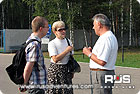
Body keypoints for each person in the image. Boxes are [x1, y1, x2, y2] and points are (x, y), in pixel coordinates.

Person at [83, 13, 118, 94]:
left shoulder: (105, 38)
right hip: (107, 72)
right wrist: (93, 53)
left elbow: (102, 61)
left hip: (100, 74)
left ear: (99, 24)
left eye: (94, 25)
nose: (93, 27)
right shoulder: (111, 37)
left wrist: (88, 53)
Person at [22, 16, 49, 94]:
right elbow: (28, 66)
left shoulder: (33, 41)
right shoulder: (34, 44)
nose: (48, 29)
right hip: (36, 86)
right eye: (47, 27)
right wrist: (24, 83)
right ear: (41, 28)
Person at [47, 21, 74, 94]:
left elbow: (71, 57)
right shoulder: (52, 43)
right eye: (60, 30)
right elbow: (55, 59)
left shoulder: (69, 42)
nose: (63, 31)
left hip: (66, 71)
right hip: (55, 71)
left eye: (64, 29)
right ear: (55, 32)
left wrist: (72, 71)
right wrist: (66, 51)